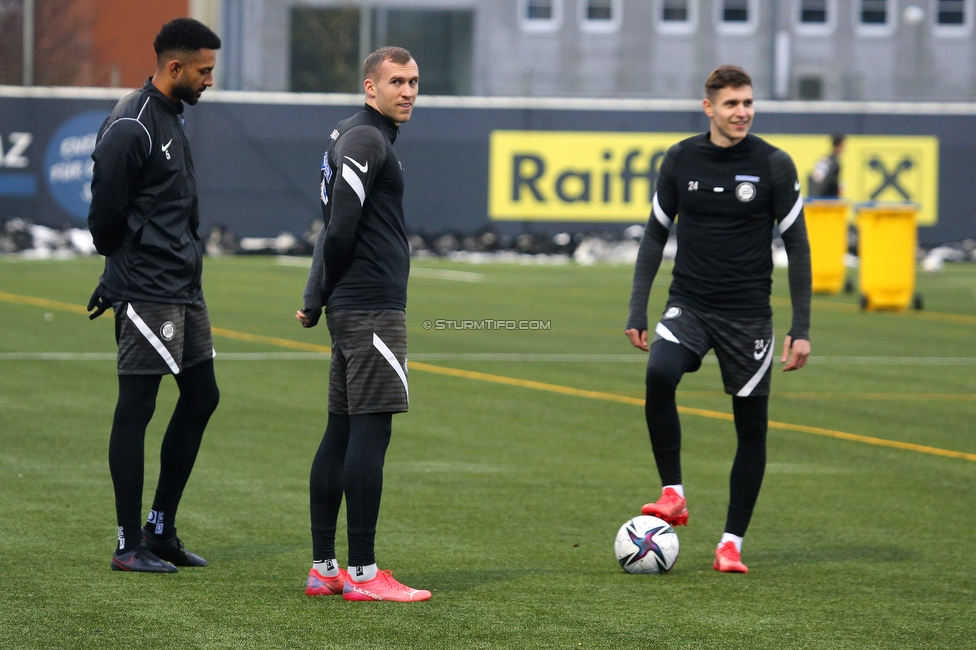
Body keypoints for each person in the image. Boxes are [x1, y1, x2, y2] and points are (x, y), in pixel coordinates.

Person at [625, 65, 812, 573]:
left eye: (748, 103)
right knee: (659, 374)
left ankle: (731, 543)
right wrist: (637, 308)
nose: (742, 112)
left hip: (748, 319)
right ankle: (673, 493)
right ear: (709, 107)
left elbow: (797, 246)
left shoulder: (773, 163)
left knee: (751, 429)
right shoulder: (681, 158)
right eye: (732, 104)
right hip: (689, 304)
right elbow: (653, 237)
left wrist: (802, 328)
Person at [86, 18, 221, 573]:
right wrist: (121, 277)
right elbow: (103, 220)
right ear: (175, 67)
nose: (210, 80)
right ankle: (127, 545)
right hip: (148, 290)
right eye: (204, 70)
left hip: (183, 288)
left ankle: (159, 529)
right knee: (136, 409)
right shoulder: (132, 124)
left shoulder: (170, 116)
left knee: (202, 397)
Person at [296, 46, 430, 602]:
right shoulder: (365, 138)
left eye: (414, 82)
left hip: (351, 307)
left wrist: (316, 295)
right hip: (370, 308)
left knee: (342, 432)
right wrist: (327, 290)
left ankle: (325, 567)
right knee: (368, 437)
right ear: (369, 87)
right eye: (396, 81)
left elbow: (329, 226)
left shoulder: (357, 137)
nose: (407, 91)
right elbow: (342, 226)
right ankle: (362, 572)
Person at [807, 134, 845, 198]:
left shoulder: (825, 160)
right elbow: (831, 183)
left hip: (816, 197)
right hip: (826, 199)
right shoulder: (834, 163)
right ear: (838, 146)